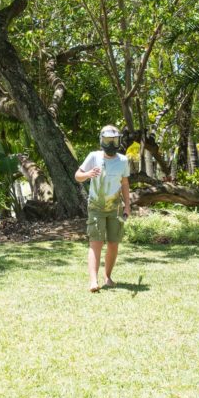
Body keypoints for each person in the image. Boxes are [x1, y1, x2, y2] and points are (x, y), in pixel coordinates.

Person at [75, 125, 132, 292]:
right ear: (102, 140)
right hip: (96, 206)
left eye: (114, 140)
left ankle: (108, 277)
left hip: (115, 208)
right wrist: (88, 174)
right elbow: (77, 176)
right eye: (108, 140)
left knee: (114, 243)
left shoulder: (123, 160)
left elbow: (125, 184)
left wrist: (127, 206)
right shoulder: (94, 156)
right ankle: (93, 281)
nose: (111, 143)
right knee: (96, 242)